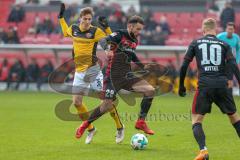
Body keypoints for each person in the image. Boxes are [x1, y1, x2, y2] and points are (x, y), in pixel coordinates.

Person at [75, 15, 156, 140]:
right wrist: (107, 49)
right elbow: (103, 40)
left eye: (141, 30)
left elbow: (132, 56)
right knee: (106, 105)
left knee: (150, 90)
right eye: (138, 29)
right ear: (130, 26)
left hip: (127, 76)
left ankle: (141, 122)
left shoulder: (135, 41)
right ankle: (85, 125)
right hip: (113, 77)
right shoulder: (119, 34)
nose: (139, 32)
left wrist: (143, 67)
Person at [58, 3, 124, 144]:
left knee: (107, 102)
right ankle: (91, 129)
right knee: (76, 103)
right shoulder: (74, 29)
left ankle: (119, 127)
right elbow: (65, 32)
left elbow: (111, 38)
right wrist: (61, 17)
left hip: (93, 71)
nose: (87, 21)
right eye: (85, 18)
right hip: (79, 72)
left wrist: (106, 27)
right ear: (80, 18)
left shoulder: (95, 31)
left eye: (90, 19)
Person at [178, 18, 240, 160]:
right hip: (222, 85)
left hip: (205, 86)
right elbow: (233, 66)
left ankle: (203, 151)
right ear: (216, 30)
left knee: (196, 120)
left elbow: (183, 66)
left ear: (203, 29)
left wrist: (181, 85)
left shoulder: (196, 43)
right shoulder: (224, 44)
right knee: (234, 118)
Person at [217, 22, 240, 91]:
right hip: (220, 61)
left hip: (230, 61)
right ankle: (219, 92)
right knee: (220, 77)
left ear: (234, 30)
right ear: (226, 29)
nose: (230, 31)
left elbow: (238, 49)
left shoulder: (237, 38)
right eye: (229, 29)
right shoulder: (219, 36)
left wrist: (237, 60)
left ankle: (229, 93)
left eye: (231, 29)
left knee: (230, 79)